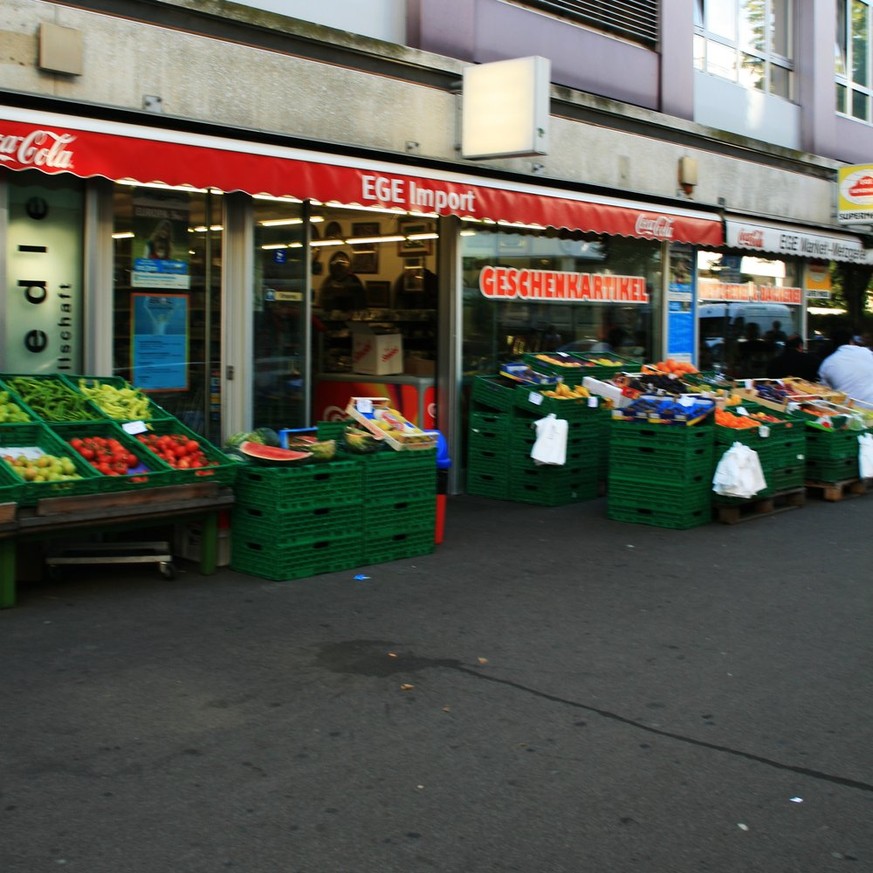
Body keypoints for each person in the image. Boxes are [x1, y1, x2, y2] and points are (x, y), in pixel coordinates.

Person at [818, 328, 873, 409]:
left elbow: (824, 393)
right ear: (851, 341)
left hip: (849, 411)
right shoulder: (868, 353)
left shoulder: (828, 363)